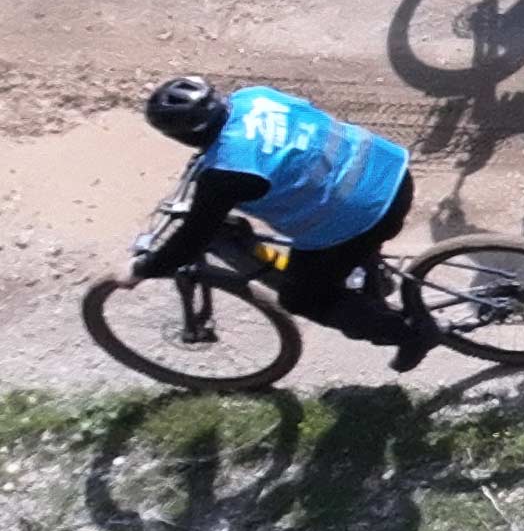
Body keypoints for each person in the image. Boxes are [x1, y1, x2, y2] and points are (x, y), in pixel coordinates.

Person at [137, 76, 438, 367]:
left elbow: (191, 239)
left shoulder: (225, 174)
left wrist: (142, 269)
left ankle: (410, 336)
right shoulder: (254, 97)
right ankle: (368, 271)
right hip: (387, 169)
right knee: (334, 243)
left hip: (364, 215)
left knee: (302, 298)